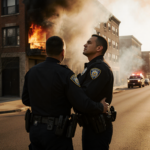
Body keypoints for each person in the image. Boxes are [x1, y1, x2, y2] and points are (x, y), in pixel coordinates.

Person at [22, 36, 109, 150]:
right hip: (56, 133)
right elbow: (81, 103)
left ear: (46, 51)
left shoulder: (31, 72)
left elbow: (26, 99)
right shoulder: (65, 74)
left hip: (35, 131)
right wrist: (100, 107)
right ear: (63, 52)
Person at [78, 35, 114, 150]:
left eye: (89, 43)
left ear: (99, 48)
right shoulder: (92, 66)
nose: (85, 44)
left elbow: (83, 96)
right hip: (92, 126)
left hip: (97, 128)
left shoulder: (98, 68)